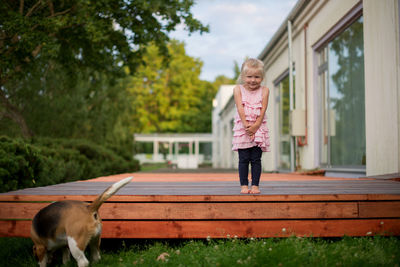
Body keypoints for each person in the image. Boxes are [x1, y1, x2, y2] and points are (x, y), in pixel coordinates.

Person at [232, 58, 270, 194]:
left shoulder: (265, 90)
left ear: (262, 77)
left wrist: (256, 126)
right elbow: (240, 108)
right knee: (243, 159)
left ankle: (255, 185)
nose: (253, 80)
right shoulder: (238, 89)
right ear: (243, 76)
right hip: (243, 128)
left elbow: (263, 109)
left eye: (257, 77)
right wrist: (247, 126)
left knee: (256, 159)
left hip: (258, 128)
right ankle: (243, 185)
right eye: (249, 77)